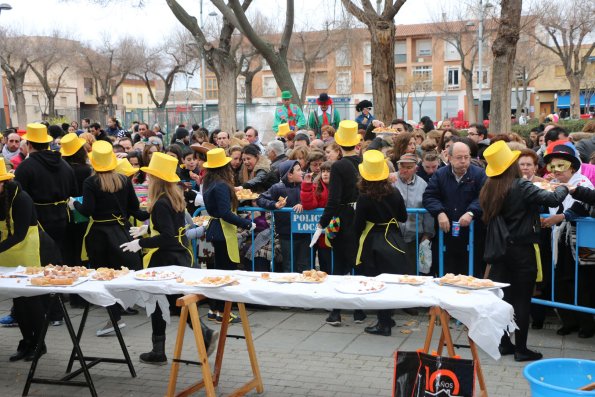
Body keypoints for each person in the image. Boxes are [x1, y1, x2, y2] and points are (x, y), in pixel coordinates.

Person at [120, 152, 218, 364]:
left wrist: (141, 242)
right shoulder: (173, 199)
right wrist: (145, 231)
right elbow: (170, 229)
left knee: (163, 304)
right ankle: (197, 337)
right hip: (176, 257)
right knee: (172, 303)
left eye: (151, 176)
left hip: (164, 259)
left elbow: (166, 236)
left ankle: (164, 349)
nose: (148, 180)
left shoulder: (162, 203)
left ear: (158, 180)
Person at [479, 141, 568, 361]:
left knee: (503, 299)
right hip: (521, 250)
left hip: (500, 252)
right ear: (512, 165)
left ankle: (504, 344)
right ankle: (521, 349)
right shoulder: (520, 185)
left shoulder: (489, 187)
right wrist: (564, 187)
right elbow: (554, 199)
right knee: (521, 300)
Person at [71, 141, 147, 335]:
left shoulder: (90, 182)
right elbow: (135, 209)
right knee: (122, 273)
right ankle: (121, 309)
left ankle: (114, 317)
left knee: (104, 277)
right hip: (121, 230)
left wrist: (74, 205)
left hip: (100, 235)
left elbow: (87, 211)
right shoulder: (123, 180)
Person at [0, 158, 60, 361]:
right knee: (18, 301)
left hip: (33, 251)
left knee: (31, 301)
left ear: (3, 182)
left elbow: (19, 234)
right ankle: (27, 341)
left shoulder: (22, 198)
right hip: (8, 254)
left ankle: (39, 344)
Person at [541, 142, 595, 339]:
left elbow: (583, 206)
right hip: (559, 240)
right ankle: (568, 321)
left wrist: (562, 217)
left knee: (583, 282)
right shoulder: (550, 185)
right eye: (552, 167)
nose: (556, 171)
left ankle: (586, 324)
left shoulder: (582, 184)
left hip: (582, 241)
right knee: (562, 280)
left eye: (561, 166)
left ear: (572, 167)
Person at [354, 150, 408, 336]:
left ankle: (384, 323)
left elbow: (358, 225)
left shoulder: (364, 197)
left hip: (373, 241)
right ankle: (387, 317)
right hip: (393, 238)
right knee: (389, 280)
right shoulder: (394, 192)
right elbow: (403, 216)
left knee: (377, 282)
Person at [317, 120, 365, 326]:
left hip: (345, 217)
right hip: (363, 215)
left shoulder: (339, 166)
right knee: (359, 263)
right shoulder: (363, 163)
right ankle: (360, 310)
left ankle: (336, 312)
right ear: (355, 143)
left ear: (339, 144)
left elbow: (334, 198)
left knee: (340, 266)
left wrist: (322, 222)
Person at [203, 148, 255, 322]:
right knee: (228, 273)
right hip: (223, 231)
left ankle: (215, 310)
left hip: (216, 229)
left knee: (219, 271)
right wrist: (246, 223)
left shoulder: (209, 182)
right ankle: (224, 312)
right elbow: (225, 212)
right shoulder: (222, 185)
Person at [423, 141, 487, 276]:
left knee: (471, 275)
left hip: (472, 235)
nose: (463, 161)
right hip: (446, 235)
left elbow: (484, 197)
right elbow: (429, 196)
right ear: (449, 157)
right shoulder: (440, 174)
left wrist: (471, 212)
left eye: (466, 157)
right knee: (446, 275)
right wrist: (439, 212)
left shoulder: (480, 174)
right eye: (459, 157)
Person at [258, 160, 307, 273]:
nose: (302, 172)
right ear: (289, 174)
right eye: (299, 170)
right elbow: (260, 199)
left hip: (304, 233)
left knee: (305, 265)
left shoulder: (305, 185)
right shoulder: (277, 188)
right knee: (289, 265)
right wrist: (274, 204)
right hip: (286, 234)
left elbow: (314, 199)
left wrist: (303, 204)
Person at [394, 153, 434, 271]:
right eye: (402, 166)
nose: (404, 170)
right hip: (393, 235)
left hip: (414, 237)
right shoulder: (391, 181)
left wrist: (427, 234)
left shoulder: (423, 185)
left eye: (409, 167)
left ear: (416, 169)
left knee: (411, 272)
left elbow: (428, 210)